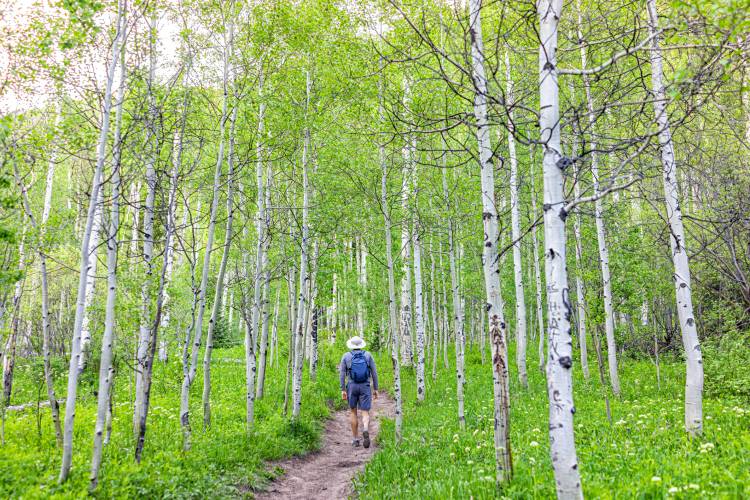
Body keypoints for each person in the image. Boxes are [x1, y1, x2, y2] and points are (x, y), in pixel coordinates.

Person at [339, 336, 378, 448]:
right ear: (361, 345)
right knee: (365, 411)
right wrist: (375, 389)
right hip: (365, 386)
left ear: (351, 345)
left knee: (353, 412)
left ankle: (355, 439)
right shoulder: (368, 355)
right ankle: (365, 428)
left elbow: (342, 374)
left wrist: (343, 389)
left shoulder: (346, 356)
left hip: (352, 386)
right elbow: (374, 373)